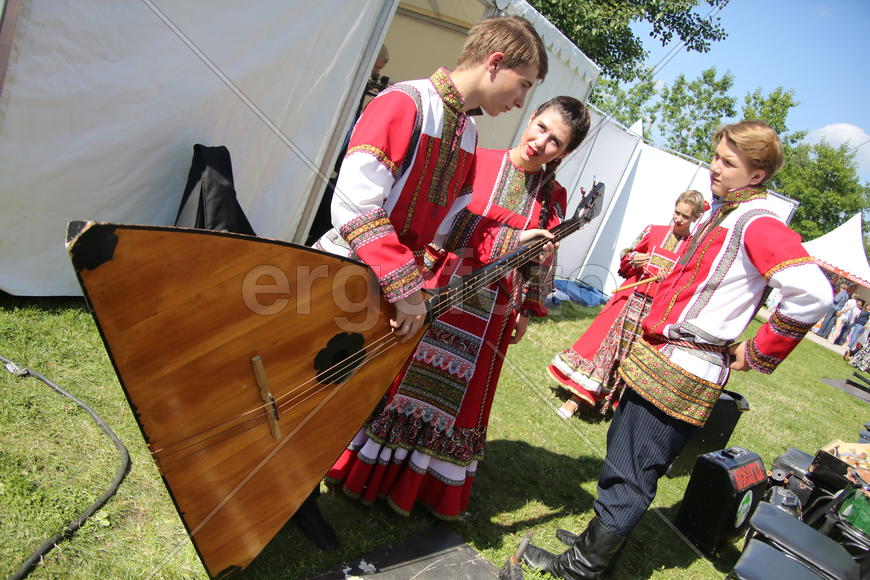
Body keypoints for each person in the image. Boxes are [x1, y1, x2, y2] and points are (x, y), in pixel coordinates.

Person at [523, 120, 833, 579]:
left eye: (729, 162)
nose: (715, 167)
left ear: (757, 175)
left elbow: (814, 293)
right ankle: (598, 544)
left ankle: (584, 567)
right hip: (664, 356)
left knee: (633, 468)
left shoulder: (758, 222)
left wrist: (758, 350)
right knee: (623, 452)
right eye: (716, 156)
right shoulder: (726, 212)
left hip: (686, 364)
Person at [325, 96, 591, 519]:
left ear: (566, 152)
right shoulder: (477, 160)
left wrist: (527, 307)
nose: (541, 142)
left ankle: (421, 488)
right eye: (540, 127)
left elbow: (544, 256)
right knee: (399, 383)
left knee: (455, 403)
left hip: (491, 313)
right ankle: (365, 471)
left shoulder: (552, 197)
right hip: (435, 287)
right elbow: (439, 221)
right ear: (531, 118)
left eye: (555, 141)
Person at [547, 190, 706, 417]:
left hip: (654, 311)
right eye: (677, 212)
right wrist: (634, 259)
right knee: (603, 347)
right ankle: (576, 398)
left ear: (695, 218)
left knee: (632, 358)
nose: (678, 219)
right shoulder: (654, 231)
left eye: (686, 217)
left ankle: (613, 404)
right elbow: (625, 258)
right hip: (628, 301)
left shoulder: (693, 248)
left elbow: (688, 283)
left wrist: (669, 278)